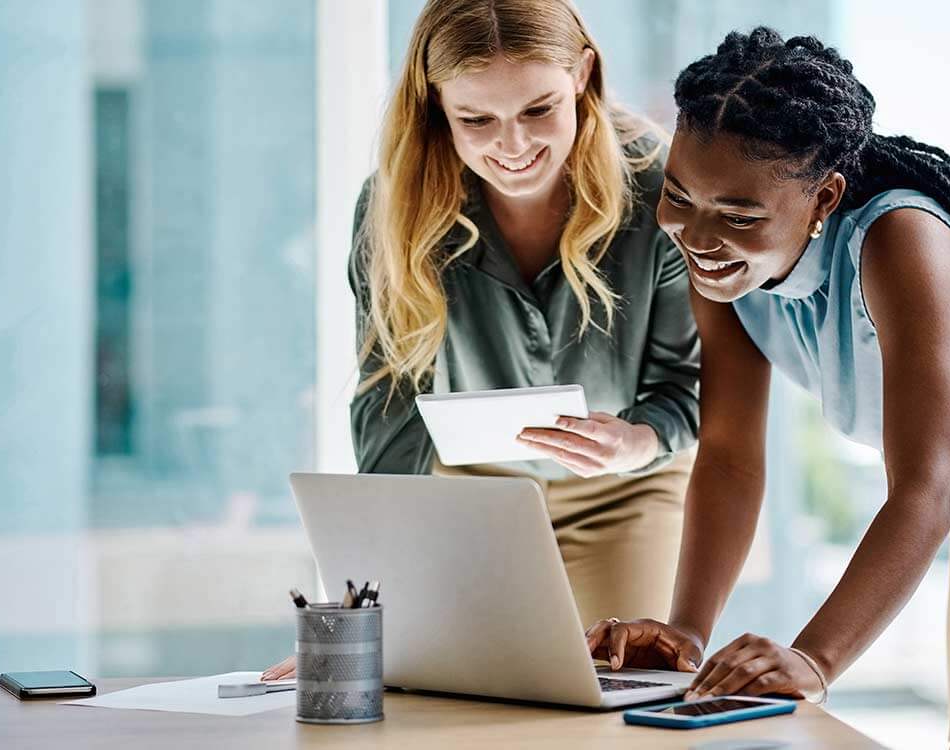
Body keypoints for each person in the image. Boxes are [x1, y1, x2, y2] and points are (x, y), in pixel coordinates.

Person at [586, 28, 950, 750]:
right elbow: (728, 455)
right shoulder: (721, 268)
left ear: (825, 197)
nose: (696, 233)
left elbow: (923, 487)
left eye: (739, 214)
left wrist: (814, 660)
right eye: (679, 195)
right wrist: (687, 633)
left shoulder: (902, 240)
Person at [261, 0, 699, 682]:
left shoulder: (659, 185)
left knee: (625, 694)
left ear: (583, 73)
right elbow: (391, 405)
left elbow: (687, 386)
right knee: (451, 692)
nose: (514, 145)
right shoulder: (395, 207)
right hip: (471, 495)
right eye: (476, 119)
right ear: (437, 106)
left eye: (537, 110)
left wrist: (639, 439)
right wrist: (366, 609)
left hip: (627, 488)